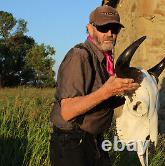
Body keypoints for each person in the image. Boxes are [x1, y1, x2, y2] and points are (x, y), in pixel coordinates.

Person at [49, 5, 139, 166]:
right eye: (103, 27)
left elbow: (101, 99)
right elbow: (67, 111)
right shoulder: (79, 57)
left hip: (95, 140)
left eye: (114, 28)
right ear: (90, 29)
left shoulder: (105, 60)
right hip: (72, 144)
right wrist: (107, 91)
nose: (110, 34)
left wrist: (130, 92)